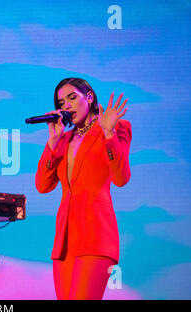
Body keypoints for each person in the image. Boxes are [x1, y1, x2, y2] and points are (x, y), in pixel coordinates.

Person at [35, 78, 131, 300]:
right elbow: (42, 185)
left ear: (89, 98)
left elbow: (121, 178)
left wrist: (108, 134)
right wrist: (53, 142)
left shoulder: (116, 128)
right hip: (65, 241)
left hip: (95, 236)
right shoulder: (63, 139)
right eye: (61, 102)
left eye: (72, 98)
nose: (66, 106)